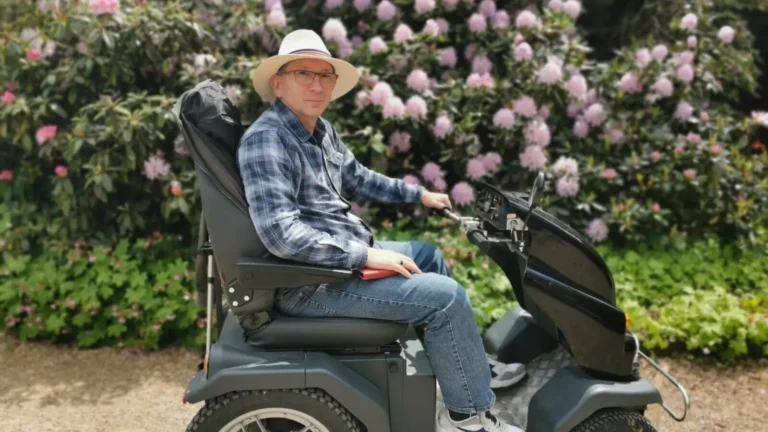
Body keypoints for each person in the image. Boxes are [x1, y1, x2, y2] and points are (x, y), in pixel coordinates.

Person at [237, 29, 525, 432]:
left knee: (429, 254)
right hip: (309, 283)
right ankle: (469, 418)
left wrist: (419, 194)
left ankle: (464, 370)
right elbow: (281, 234)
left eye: (325, 75)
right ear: (278, 83)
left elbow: (359, 179)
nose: (317, 84)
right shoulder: (267, 141)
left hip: (336, 261)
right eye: (304, 73)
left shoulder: (318, 130)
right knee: (447, 299)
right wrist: (369, 256)